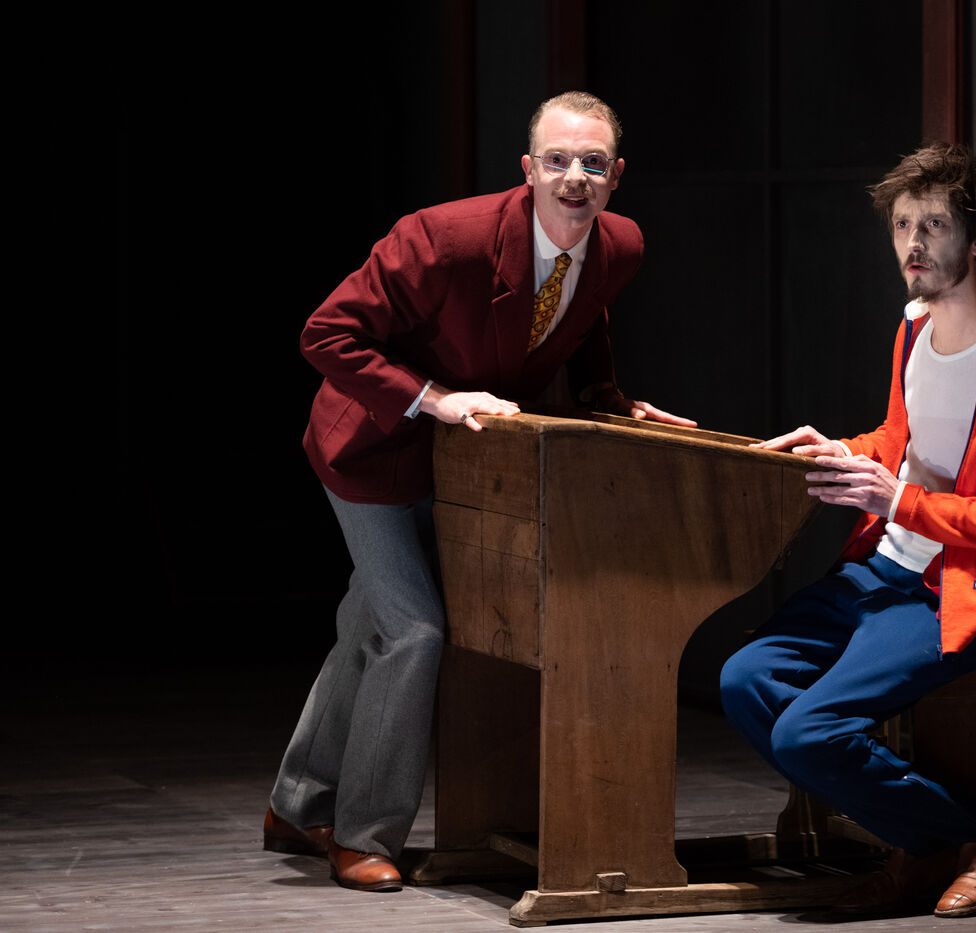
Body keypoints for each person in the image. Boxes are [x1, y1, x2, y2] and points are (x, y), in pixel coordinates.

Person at [263, 91, 692, 893]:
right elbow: (325, 333)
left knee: (368, 619)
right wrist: (432, 398)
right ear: (528, 169)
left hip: (462, 463)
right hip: (372, 447)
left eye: (592, 163)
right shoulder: (443, 237)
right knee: (415, 631)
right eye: (557, 161)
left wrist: (607, 396)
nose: (574, 177)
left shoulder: (620, 245)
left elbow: (583, 312)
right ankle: (362, 833)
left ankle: (296, 804)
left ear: (616, 175)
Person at [720, 142, 976, 919]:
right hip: (879, 570)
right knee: (744, 678)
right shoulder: (914, 324)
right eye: (903, 225)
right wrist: (844, 452)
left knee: (808, 732)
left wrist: (903, 502)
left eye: (934, 226)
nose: (913, 245)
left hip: (956, 591)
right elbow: (903, 440)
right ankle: (930, 842)